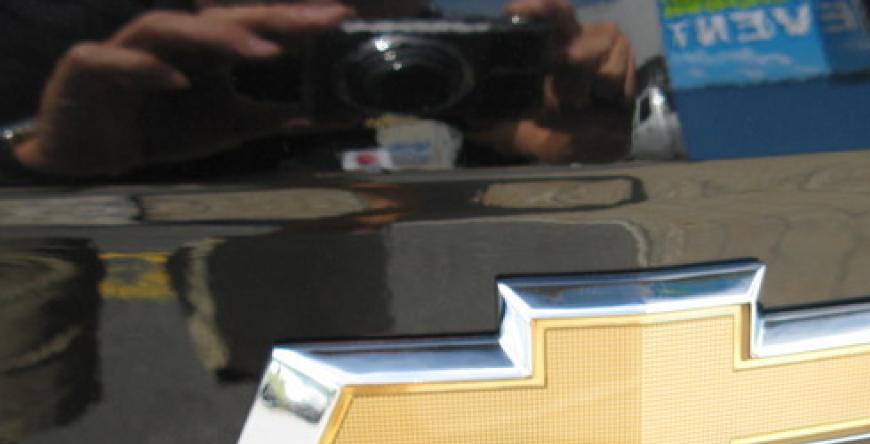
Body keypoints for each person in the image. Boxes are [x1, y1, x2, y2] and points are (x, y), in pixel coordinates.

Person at [3, 0, 635, 180]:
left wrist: (589, 116)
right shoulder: (72, 29)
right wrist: (42, 160)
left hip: (320, 265)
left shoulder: (412, 42)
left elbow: (540, 137)